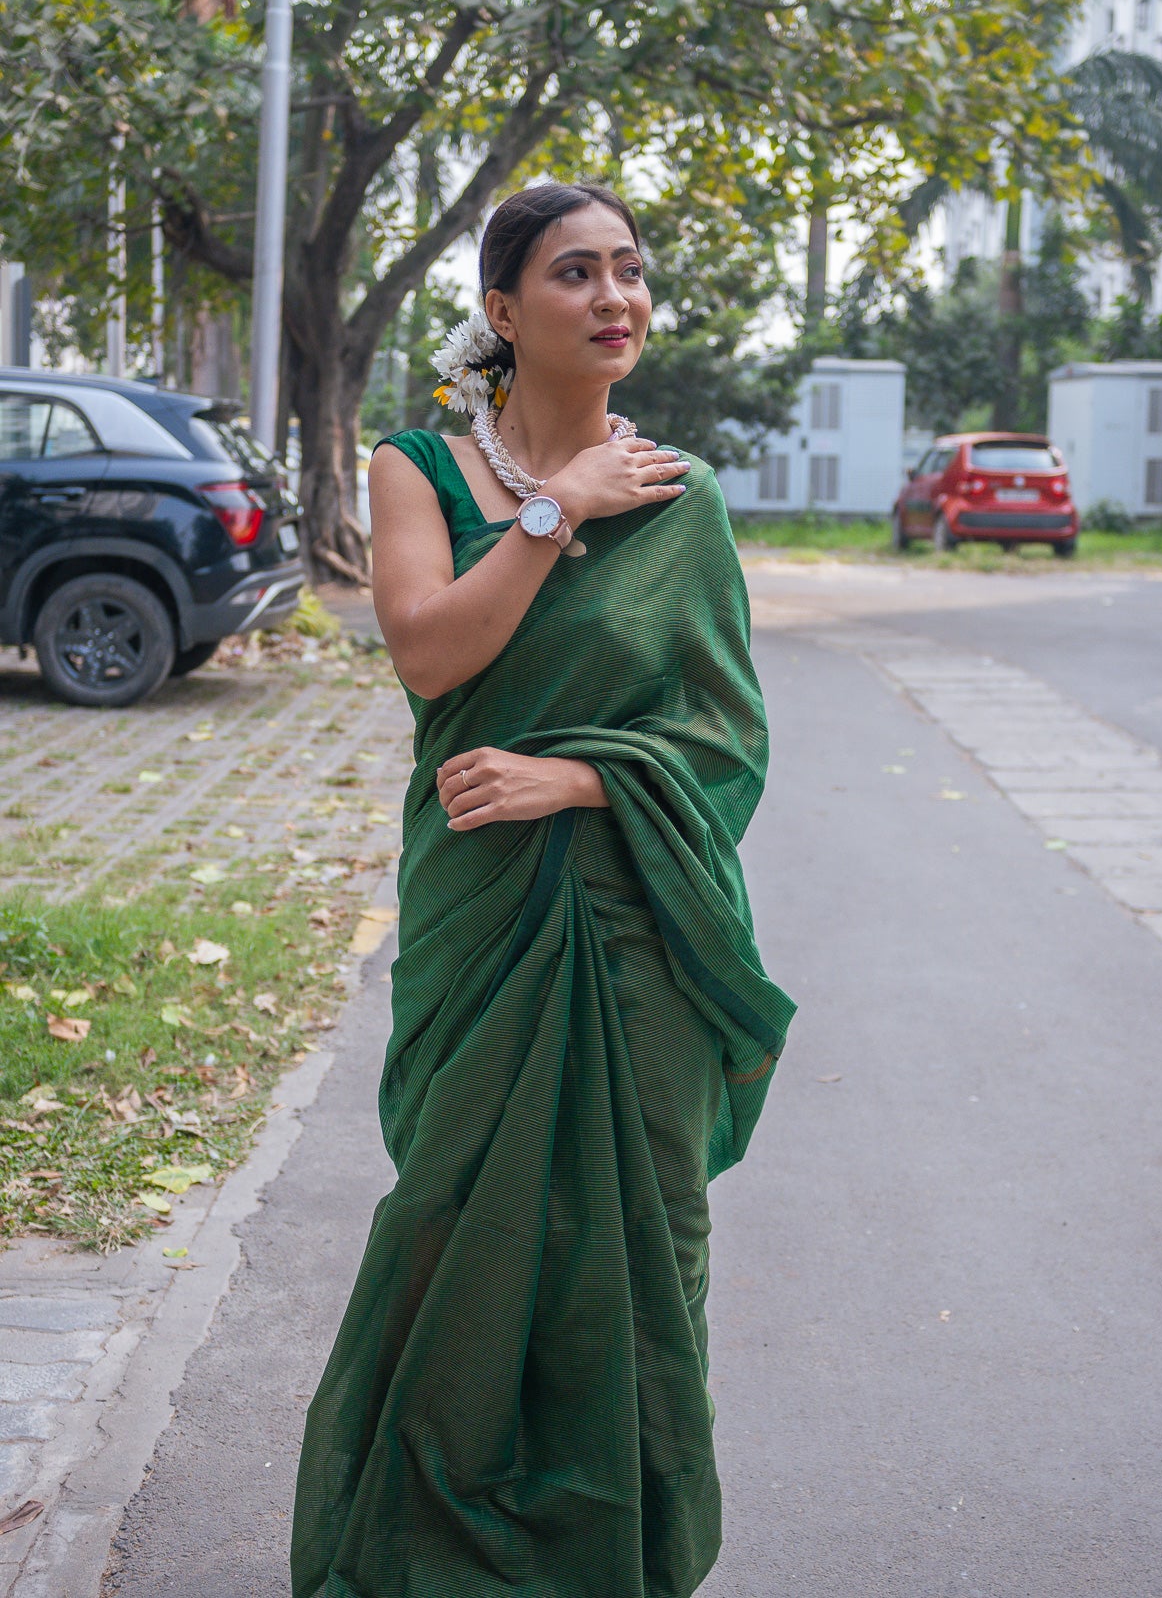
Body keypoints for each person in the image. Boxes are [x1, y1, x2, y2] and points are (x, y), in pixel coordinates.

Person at [290, 179, 796, 1598]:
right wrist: (554, 510)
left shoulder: (683, 503)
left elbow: (726, 739)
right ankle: (419, 1553)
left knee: (639, 1252)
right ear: (505, 314)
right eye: (577, 274)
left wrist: (581, 781)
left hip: (641, 932)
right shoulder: (419, 470)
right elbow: (432, 657)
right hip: (482, 918)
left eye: (631, 270)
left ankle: (618, 1559)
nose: (617, 298)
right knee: (455, 1225)